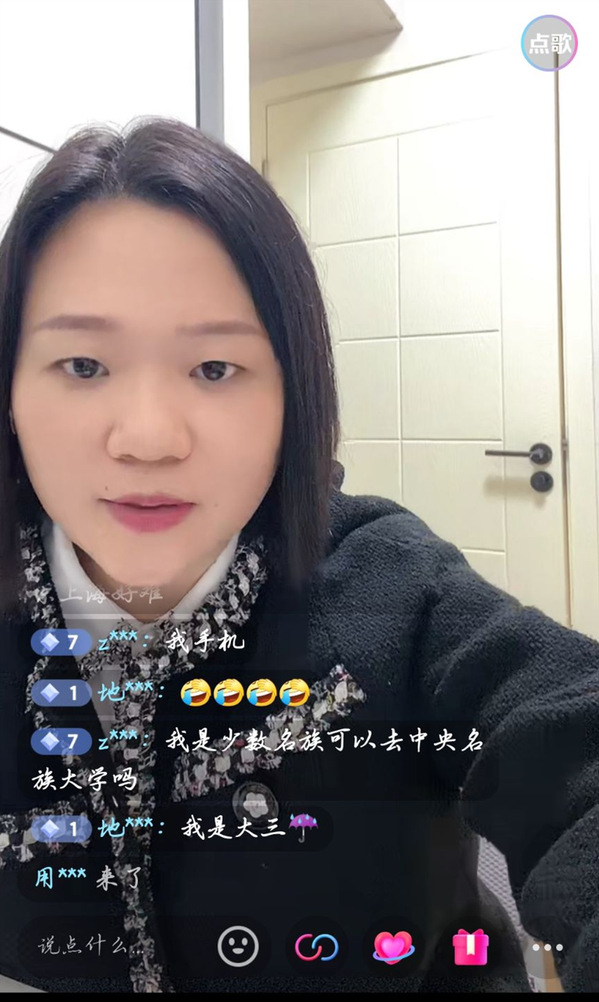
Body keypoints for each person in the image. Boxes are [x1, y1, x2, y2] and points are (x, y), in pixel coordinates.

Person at [0, 116, 597, 995]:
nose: (148, 438)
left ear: (293, 392)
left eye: (214, 368)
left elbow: (570, 737)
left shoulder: (395, 587)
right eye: (83, 365)